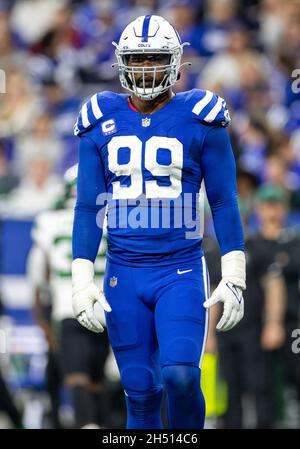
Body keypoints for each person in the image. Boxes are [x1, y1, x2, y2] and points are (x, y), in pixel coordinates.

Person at [71, 15, 246, 429]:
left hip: (180, 268)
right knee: (140, 390)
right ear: (122, 62)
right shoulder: (99, 117)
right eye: (139, 59)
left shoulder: (200, 114)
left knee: (181, 376)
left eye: (156, 59)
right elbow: (87, 206)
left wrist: (234, 271)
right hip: (124, 271)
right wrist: (80, 278)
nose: (147, 68)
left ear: (175, 61)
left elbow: (223, 201)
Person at [27, 165, 110, 428]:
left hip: (68, 305)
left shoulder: (48, 222)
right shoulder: (110, 217)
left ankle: (88, 424)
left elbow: (38, 275)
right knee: (97, 380)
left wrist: (41, 316)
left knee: (77, 377)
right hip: (105, 306)